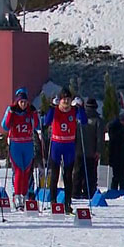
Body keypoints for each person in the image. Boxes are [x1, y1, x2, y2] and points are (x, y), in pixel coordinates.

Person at [42, 87, 88, 215]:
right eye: (64, 100)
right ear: (60, 100)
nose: (66, 102)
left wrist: (81, 107)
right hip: (57, 144)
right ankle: (53, 202)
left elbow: (83, 121)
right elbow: (46, 121)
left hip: (69, 145)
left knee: (68, 176)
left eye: (68, 99)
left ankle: (67, 204)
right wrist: (51, 106)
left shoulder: (74, 111)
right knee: (55, 175)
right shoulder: (56, 110)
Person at [1, 88, 40, 210]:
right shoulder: (12, 110)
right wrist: (10, 113)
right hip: (16, 144)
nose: (23, 104)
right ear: (17, 101)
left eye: (25, 102)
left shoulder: (29, 112)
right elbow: (5, 126)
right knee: (18, 171)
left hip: (27, 144)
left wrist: (34, 114)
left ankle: (25, 195)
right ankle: (17, 196)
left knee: (26, 171)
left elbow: (37, 125)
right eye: (21, 102)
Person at [74, 97, 104, 199]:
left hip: (78, 150)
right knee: (91, 173)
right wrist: (99, 151)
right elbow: (100, 137)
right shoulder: (98, 120)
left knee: (78, 172)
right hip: (91, 152)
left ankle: (76, 191)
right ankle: (89, 191)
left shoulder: (78, 119)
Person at [107, 112, 124, 192]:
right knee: (120, 175)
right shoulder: (121, 130)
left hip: (115, 154)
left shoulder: (113, 128)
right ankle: (121, 190)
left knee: (116, 175)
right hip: (120, 154)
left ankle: (115, 190)